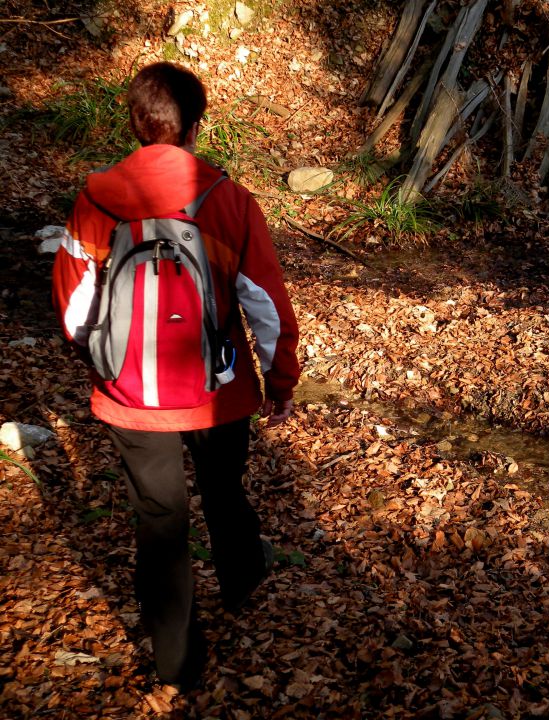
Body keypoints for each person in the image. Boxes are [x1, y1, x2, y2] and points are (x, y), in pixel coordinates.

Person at [51, 62, 300, 689]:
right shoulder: (228, 198)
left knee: (159, 521)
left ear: (136, 122)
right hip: (219, 391)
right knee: (224, 487)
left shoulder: (96, 198)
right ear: (195, 123)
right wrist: (280, 379)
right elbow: (264, 303)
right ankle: (243, 581)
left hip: (130, 395)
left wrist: (106, 357)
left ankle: (176, 660)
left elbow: (75, 306)